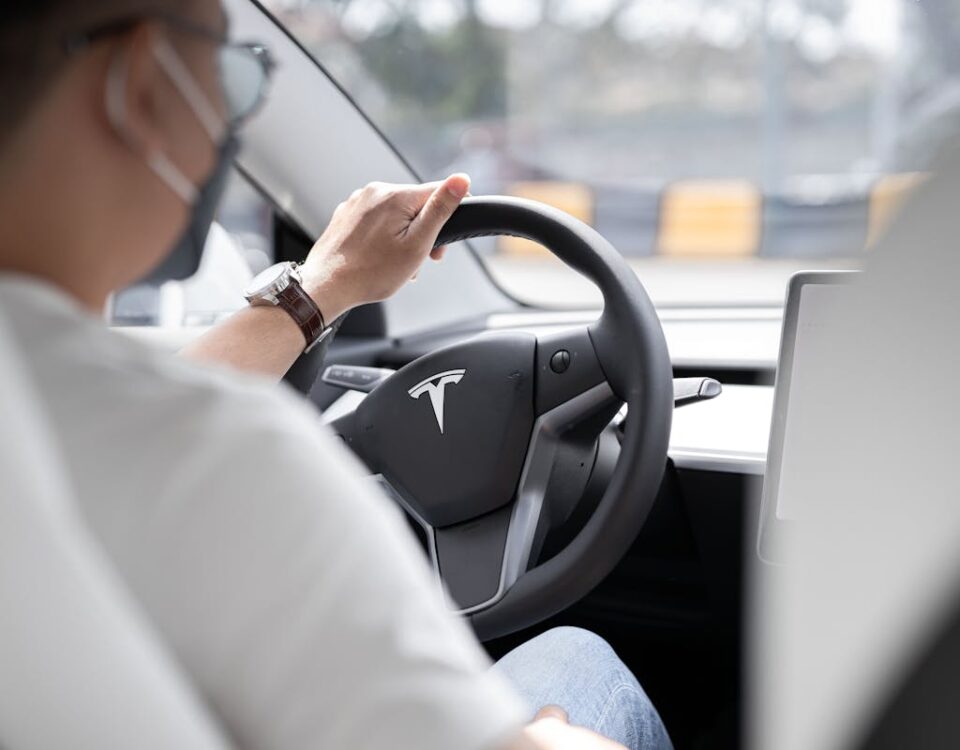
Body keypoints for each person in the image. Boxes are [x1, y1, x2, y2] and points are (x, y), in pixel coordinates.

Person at [0, 2, 673, 749]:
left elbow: (120, 429)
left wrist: (326, 286)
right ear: (142, 85)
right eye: (230, 69)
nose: (232, 108)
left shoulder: (71, 416)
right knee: (576, 662)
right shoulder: (222, 452)